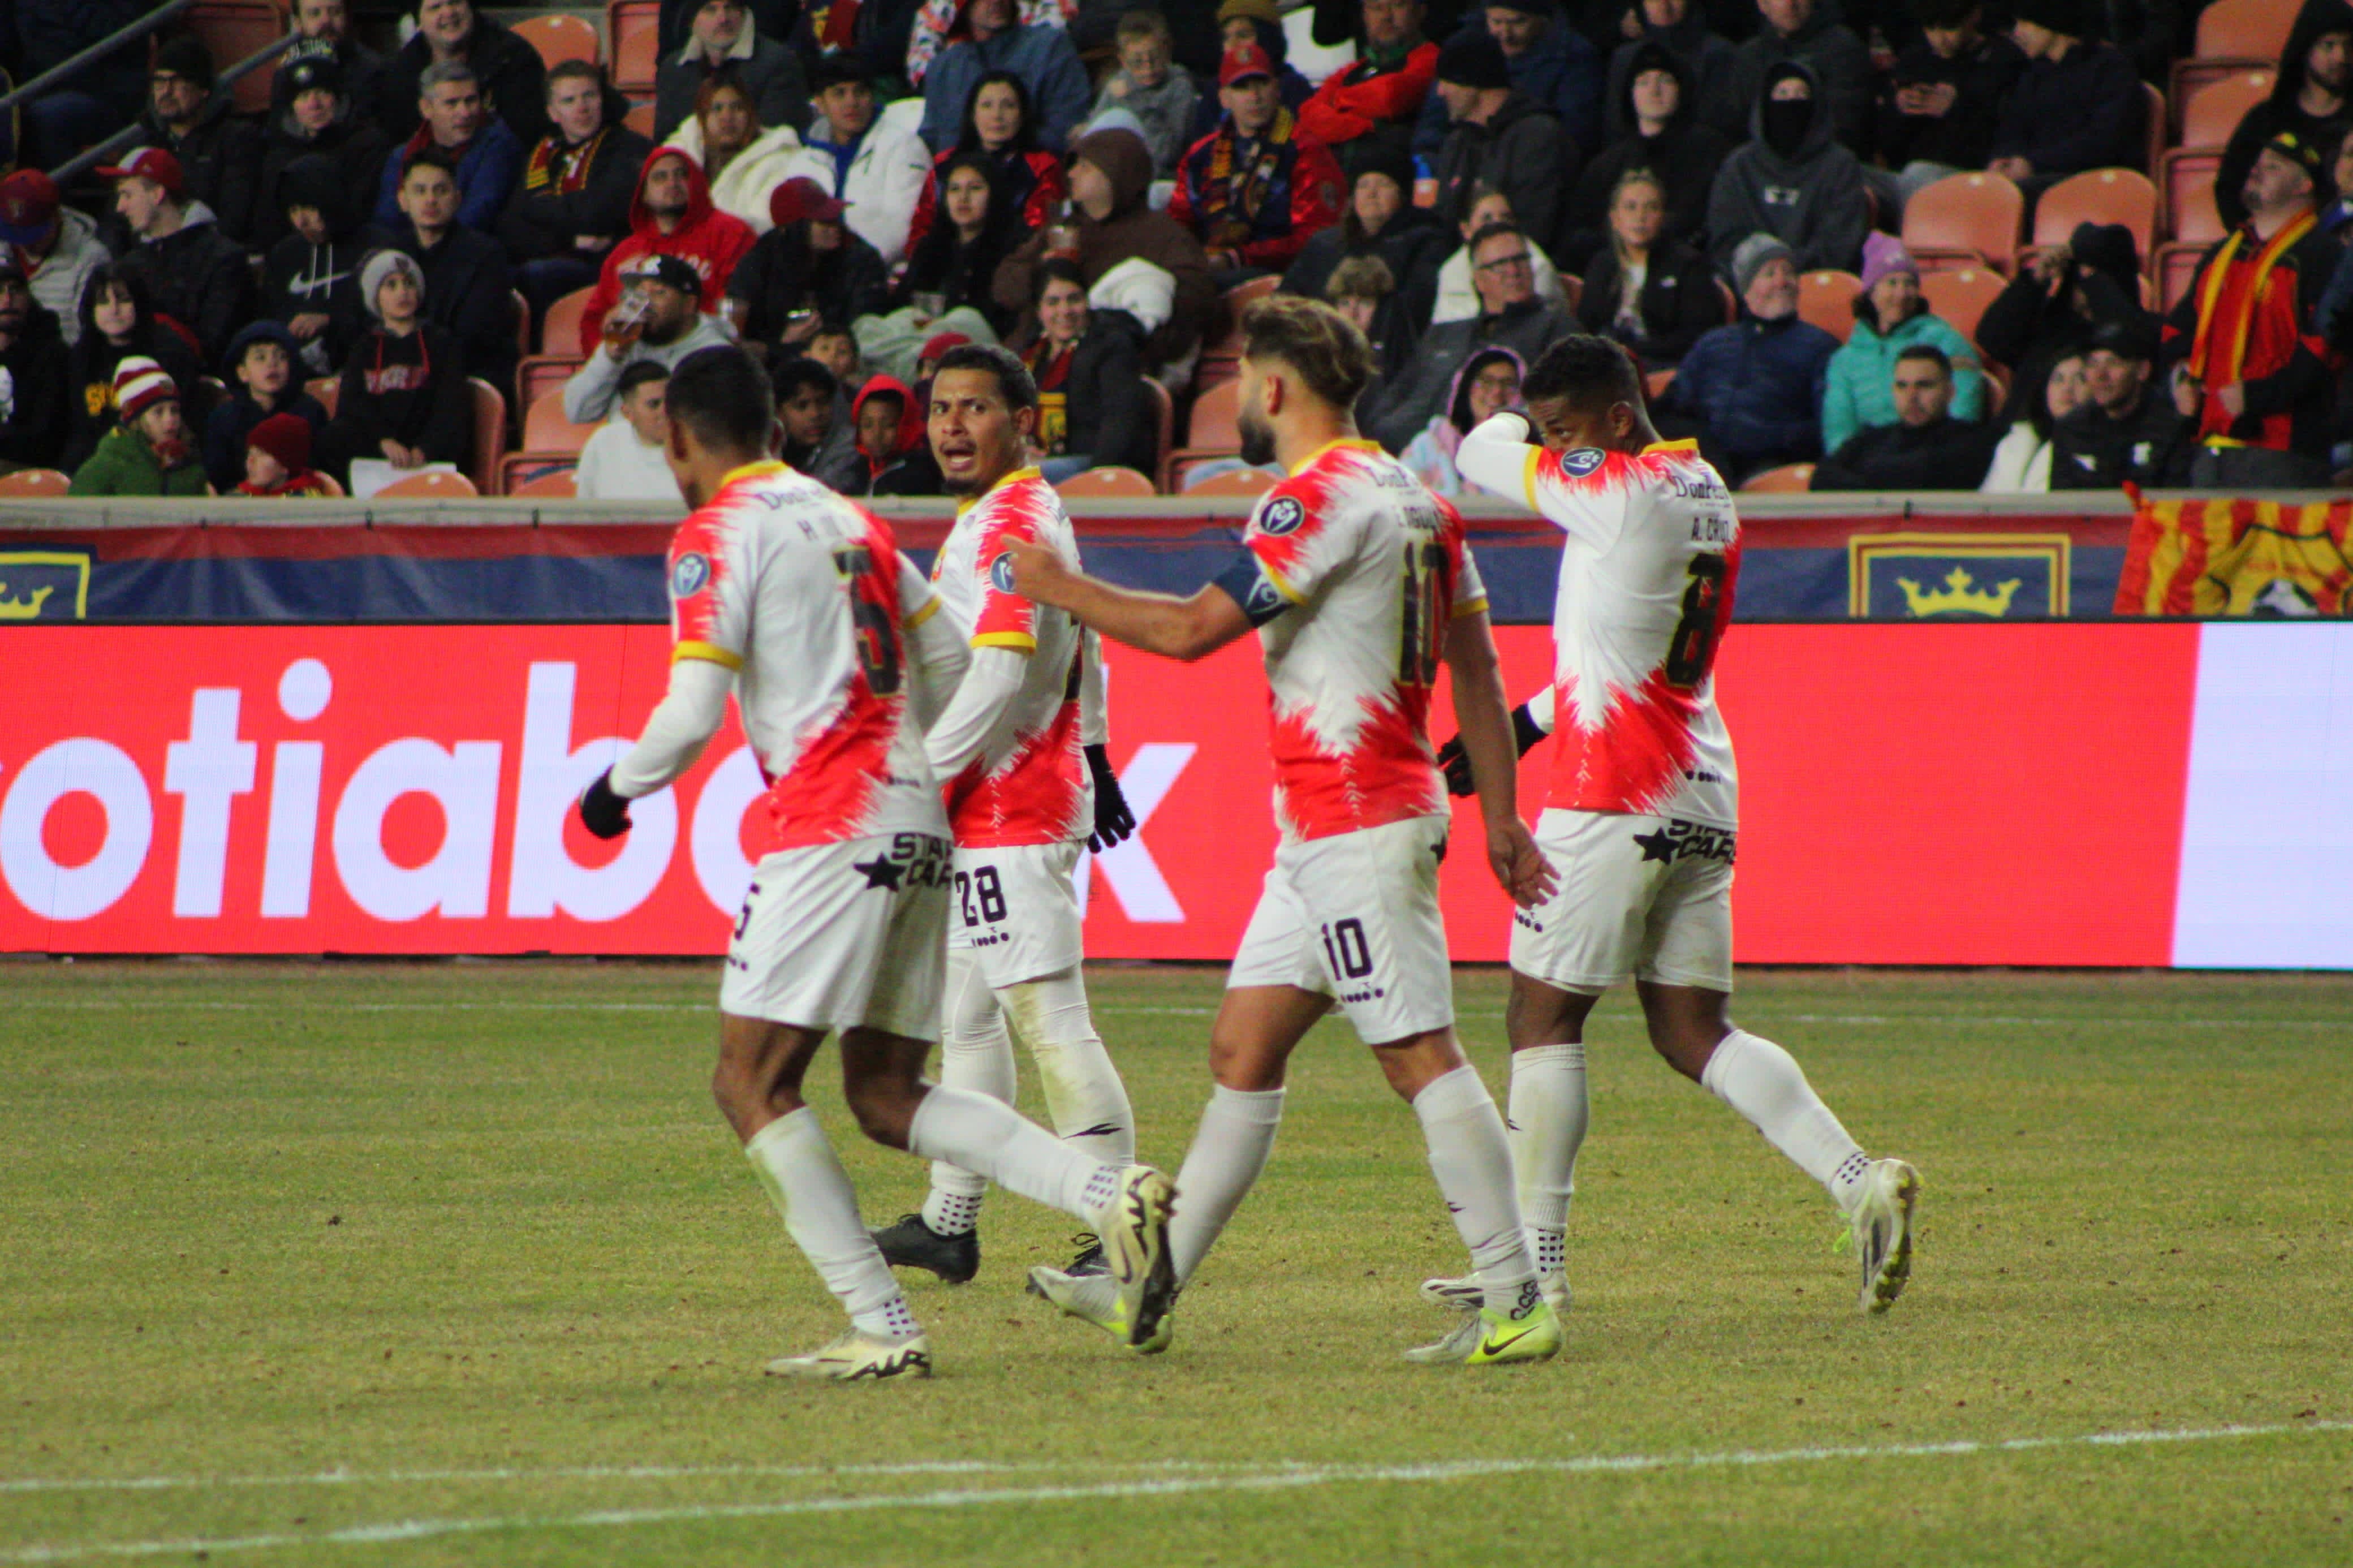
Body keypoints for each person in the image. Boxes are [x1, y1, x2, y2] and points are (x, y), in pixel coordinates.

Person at [572, 343, 1177, 1380]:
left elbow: (687, 715)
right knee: (887, 1091)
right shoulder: (850, 517)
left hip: (831, 823)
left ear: (676, 436)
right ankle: (1100, 1193)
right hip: (925, 822)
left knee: (749, 1081)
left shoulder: (717, 531)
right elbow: (947, 656)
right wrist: (908, 756)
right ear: (778, 425)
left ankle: (883, 1322)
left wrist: (610, 793)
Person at [1011, 294, 1562, 1365]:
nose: (1236, 404)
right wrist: (1498, 815)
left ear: (1273, 386)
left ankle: (1515, 1299)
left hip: (1356, 821)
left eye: (1243, 385)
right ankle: (1146, 1285)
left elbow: (1185, 633)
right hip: (1328, 828)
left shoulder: (1309, 501)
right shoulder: (1420, 497)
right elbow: (1480, 668)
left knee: (1417, 1053)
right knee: (1243, 1046)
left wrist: (1056, 587)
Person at [1433, 333, 1920, 1321]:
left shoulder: (1620, 487)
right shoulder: (1707, 490)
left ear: (1616, 421)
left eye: (1569, 431)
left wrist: (1522, 420)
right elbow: (1624, 638)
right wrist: (1525, 723)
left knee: (1542, 1018)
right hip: (1698, 785)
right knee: (1693, 1028)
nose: (1560, 448)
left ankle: (1536, 1269)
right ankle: (1858, 1178)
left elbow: (1477, 452)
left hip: (1610, 793)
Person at [868, 342, 1142, 1281]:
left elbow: (995, 677)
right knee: (969, 1019)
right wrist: (1099, 754)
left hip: (1009, 807)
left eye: (976, 407)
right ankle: (951, 1223)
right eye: (941, 407)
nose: (952, 424)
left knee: (1050, 1019)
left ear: (1025, 421)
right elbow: (1084, 642)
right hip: (1008, 797)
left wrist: (917, 787)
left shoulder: (1008, 521)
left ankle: (1119, 1231)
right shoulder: (1015, 514)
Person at [2163, 131, 2343, 488]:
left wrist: (2261, 395)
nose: (2258, 171)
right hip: (2209, 444)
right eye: (2258, 165)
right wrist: (2180, 377)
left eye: (2274, 168)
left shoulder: (2323, 255)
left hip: (2283, 450)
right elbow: (2179, 327)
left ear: (2303, 186)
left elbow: (2328, 349)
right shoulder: (2221, 254)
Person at [993, 126, 1217, 371]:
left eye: (1085, 167)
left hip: (1107, 368)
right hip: (1031, 360)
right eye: (1073, 165)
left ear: (1118, 175)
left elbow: (1194, 304)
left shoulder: (1165, 236)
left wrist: (1129, 346)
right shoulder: (1063, 229)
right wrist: (1045, 272)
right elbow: (1004, 287)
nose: (1072, 174)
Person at [1364, 221, 1577, 451]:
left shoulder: (1556, 328)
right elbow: (1394, 396)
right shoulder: (1444, 333)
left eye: (1521, 260)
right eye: (1500, 265)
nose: (1514, 271)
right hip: (1404, 453)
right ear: (1479, 279)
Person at [1658, 232, 1838, 483]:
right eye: (1769, 274)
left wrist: (1772, 437)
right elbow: (1677, 403)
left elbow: (1825, 425)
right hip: (1707, 457)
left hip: (1771, 461)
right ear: (1746, 289)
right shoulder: (1714, 343)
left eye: (1788, 272)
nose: (1782, 281)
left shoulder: (1820, 346)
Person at [1171, 44, 1348, 281]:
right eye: (1242, 87)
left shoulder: (1306, 150)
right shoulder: (1200, 154)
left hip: (1285, 277)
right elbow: (1178, 223)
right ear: (1224, 98)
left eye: (1262, 84)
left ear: (1277, 88)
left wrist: (1238, 258)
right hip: (1207, 269)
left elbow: (1319, 237)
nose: (1255, 97)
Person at [500, 63, 653, 327]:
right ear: (553, 113)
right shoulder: (542, 155)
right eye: (569, 100)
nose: (582, 108)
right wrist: (570, 239)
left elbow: (599, 213)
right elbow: (511, 228)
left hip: (607, 268)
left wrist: (540, 210)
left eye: (589, 96)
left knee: (536, 275)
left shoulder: (629, 147)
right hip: (557, 256)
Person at [1562, 39, 1729, 270]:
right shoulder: (1608, 164)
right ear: (1630, 94)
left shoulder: (1710, 149)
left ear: (1682, 90)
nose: (1655, 90)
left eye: (1665, 81)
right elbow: (1578, 232)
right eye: (1644, 82)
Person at [317, 251, 474, 487]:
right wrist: (383, 441)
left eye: (408, 284)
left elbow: (450, 406)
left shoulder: (442, 342)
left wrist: (425, 449)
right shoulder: (364, 347)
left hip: (426, 448)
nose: (402, 292)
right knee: (335, 435)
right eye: (391, 286)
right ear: (376, 297)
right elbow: (352, 406)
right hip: (379, 450)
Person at [577, 148, 757, 351]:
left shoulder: (731, 233)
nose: (672, 183)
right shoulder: (625, 253)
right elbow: (594, 320)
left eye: (682, 175)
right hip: (637, 364)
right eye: (660, 178)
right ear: (642, 193)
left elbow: (738, 307)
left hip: (705, 354)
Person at [1820, 234, 1984, 454]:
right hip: (1868, 465)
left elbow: (1964, 408)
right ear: (1871, 293)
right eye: (1892, 283)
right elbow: (1839, 430)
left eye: (1909, 284)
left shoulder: (1945, 340)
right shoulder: (1845, 359)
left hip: (1931, 457)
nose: (1902, 294)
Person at [1705, 62, 1867, 276]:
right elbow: (1725, 234)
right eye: (1782, 93)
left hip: (1816, 280)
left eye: (1801, 95)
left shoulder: (1841, 165)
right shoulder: (1739, 165)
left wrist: (1786, 269)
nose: (1792, 103)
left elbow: (1839, 241)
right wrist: (1761, 271)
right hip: (1747, 282)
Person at [100, 147, 256, 368]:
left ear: (157, 194)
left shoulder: (224, 258)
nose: (120, 207)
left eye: (127, 195)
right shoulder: (129, 266)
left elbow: (214, 343)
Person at [1430, 31, 1578, 265]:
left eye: (1446, 81)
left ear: (1473, 83)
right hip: (1463, 275)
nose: (1439, 92)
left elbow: (1536, 227)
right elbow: (1441, 225)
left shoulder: (1538, 136)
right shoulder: (1456, 143)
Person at [777, 58, 937, 266]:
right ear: (820, 104)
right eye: (839, 93)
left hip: (879, 271)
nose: (851, 102)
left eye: (860, 92)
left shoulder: (904, 147)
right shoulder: (804, 160)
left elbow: (903, 228)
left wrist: (849, 268)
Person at [392, 149, 521, 404]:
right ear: (402, 200)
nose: (430, 200)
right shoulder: (389, 257)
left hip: (465, 374)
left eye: (440, 191)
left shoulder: (486, 255)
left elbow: (478, 336)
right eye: (420, 191)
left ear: (458, 198)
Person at [1871, 0, 2025, 213]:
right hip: (1904, 175)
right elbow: (1889, 144)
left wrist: (1956, 109)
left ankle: (1913, 244)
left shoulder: (2002, 60)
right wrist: (1896, 107)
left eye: (1950, 29)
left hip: (1966, 177)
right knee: (1846, 168)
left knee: (1919, 173)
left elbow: (2003, 138)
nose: (1939, 40)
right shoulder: (1915, 59)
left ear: (1974, 16)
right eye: (1931, 29)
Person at [1282, 147, 1451, 338]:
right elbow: (1287, 300)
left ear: (1402, 195)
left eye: (1383, 184)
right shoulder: (1324, 245)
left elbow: (1416, 308)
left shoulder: (1425, 243)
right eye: (1363, 185)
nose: (1371, 193)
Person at [1988, 0, 2144, 207]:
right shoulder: (2033, 75)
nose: (2016, 33)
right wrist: (2005, 160)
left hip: (2094, 182)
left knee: (2005, 198)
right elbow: (2012, 129)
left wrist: (2034, 164)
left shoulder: (2111, 68)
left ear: (2050, 21)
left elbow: (2105, 141)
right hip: (2037, 178)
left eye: (2025, 23)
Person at [2216, 0, 2353, 235]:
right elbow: (2230, 189)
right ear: (2306, 49)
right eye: (2328, 46)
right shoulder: (2266, 118)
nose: (2341, 57)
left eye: (2349, 47)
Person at [726, 179, 893, 369]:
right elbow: (743, 327)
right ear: (794, 228)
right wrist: (781, 343)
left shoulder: (860, 258)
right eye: (824, 222)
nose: (835, 228)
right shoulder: (760, 259)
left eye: (835, 220)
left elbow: (865, 326)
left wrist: (819, 338)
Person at [264, 154, 399, 381]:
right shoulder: (285, 255)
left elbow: (394, 319)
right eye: (294, 210)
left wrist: (330, 322)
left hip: (371, 370)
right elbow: (271, 320)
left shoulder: (377, 246)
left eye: (309, 208)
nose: (301, 222)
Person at [1414, 0, 1604, 161]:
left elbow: (1577, 132)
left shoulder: (1573, 56)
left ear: (1541, 18)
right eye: (1496, 22)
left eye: (1518, 22)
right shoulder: (1466, 48)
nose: (1505, 34)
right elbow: (1433, 122)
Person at [1019, 261, 1158, 480]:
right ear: (1039, 311)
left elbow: (1121, 422)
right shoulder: (1033, 354)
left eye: (1074, 299)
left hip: (1095, 463)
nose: (1065, 311)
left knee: (1018, 479)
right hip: (1048, 461)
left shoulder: (1112, 347)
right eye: (1053, 302)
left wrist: (1095, 478)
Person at [907, 71, 1070, 255]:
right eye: (987, 106)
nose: (997, 116)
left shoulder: (1043, 166)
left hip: (1013, 266)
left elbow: (1039, 233)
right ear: (972, 114)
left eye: (1008, 106)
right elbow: (920, 231)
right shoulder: (944, 164)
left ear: (1023, 114)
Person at [64, 264, 205, 472]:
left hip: (158, 461)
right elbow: (77, 428)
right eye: (103, 302)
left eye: (123, 300)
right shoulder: (81, 357)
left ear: (139, 303)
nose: (114, 310)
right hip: (96, 461)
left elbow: (185, 421)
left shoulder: (171, 351)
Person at [1575, 170, 1722, 368]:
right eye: (1630, 207)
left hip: (1667, 367)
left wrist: (1632, 350)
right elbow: (1586, 328)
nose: (1640, 217)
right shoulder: (1602, 265)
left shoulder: (1688, 265)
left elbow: (1697, 336)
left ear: (1662, 217)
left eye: (1651, 208)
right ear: (1615, 219)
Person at [256, 46, 395, 255]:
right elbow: (270, 224)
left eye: (322, 93)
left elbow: (365, 211)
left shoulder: (368, 144)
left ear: (339, 98)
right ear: (292, 107)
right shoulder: (278, 157)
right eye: (303, 96)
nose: (314, 104)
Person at [567, 253, 736, 423]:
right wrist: (610, 357)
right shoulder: (627, 343)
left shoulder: (716, 354)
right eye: (640, 294)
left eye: (658, 292)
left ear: (689, 305)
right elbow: (577, 412)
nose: (645, 304)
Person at [136, 36, 266, 247]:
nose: (166, 91)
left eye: (178, 82)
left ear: (204, 90)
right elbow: (117, 222)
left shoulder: (237, 139)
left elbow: (234, 220)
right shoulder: (144, 144)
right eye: (159, 82)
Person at [1812, 344, 1999, 489]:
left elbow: (1922, 475)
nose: (1911, 397)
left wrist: (1865, 477)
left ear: (1950, 392)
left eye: (1924, 385)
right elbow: (1822, 478)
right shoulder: (1871, 438)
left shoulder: (1973, 441)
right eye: (1902, 386)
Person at [921, 0, 1093, 154]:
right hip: (958, 183)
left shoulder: (1051, 48)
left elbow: (1068, 130)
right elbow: (931, 142)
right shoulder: (943, 67)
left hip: (1036, 180)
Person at [379, 0, 548, 151]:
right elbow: (396, 136)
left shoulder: (513, 57)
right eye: (435, 7)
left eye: (455, 2)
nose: (448, 13)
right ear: (419, 22)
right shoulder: (403, 70)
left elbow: (525, 136)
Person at [374, 63, 525, 232]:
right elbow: (387, 220)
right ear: (426, 108)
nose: (465, 113)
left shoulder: (499, 146)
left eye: (471, 101)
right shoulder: (402, 155)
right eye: (452, 103)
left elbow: (477, 216)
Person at [893, 152, 1025, 338]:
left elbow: (1005, 316)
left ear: (994, 194)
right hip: (924, 342)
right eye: (954, 189)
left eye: (975, 188)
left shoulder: (1014, 246)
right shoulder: (930, 247)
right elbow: (904, 305)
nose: (963, 198)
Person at [2052, 315, 2191, 488]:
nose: (2100, 376)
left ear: (2142, 370)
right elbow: (2061, 506)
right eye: (2093, 364)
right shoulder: (2071, 429)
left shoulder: (2169, 428)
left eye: (2113, 363)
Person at [1298, 0, 1440, 166]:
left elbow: (1390, 96)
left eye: (1398, 6)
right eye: (1376, 8)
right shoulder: (1353, 70)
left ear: (1420, 11)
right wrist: (1364, 126)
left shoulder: (1432, 58)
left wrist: (1336, 104)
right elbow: (1309, 116)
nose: (1386, 16)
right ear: (1364, 16)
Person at [663, 75, 809, 235]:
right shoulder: (677, 156)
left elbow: (763, 225)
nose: (727, 117)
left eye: (737, 108)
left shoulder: (778, 159)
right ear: (702, 118)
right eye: (717, 109)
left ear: (751, 115)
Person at [1714, 0, 1870, 150]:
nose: (1790, 4)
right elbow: (1733, 126)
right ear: (1762, 4)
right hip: (1760, 167)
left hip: (1825, 165)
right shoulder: (1748, 57)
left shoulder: (1843, 49)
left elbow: (1846, 124)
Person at [202, 321, 332, 494]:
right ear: (242, 373)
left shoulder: (310, 412)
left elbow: (319, 470)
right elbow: (218, 477)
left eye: (281, 357)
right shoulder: (224, 418)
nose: (272, 364)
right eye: (260, 358)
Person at [655, 0, 812, 141]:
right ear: (692, 20)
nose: (723, 19)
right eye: (710, 9)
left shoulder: (779, 63)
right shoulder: (673, 69)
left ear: (744, 14)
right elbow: (667, 141)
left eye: (730, 8)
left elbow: (778, 140)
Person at [1085, 8, 1203, 175]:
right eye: (1137, 62)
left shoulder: (1180, 88)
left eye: (1155, 59)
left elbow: (1166, 154)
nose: (1148, 70)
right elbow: (1094, 135)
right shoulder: (1118, 84)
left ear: (1167, 51)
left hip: (1164, 177)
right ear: (1123, 61)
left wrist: (1131, 101)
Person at [1432, 186, 1573, 323]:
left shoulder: (1538, 265)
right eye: (1487, 219)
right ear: (1466, 230)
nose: (1497, 224)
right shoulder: (1451, 271)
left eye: (1506, 217)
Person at [70, 357, 209, 496]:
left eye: (174, 410)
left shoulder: (190, 467)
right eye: (158, 412)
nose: (170, 420)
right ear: (136, 420)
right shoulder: (106, 467)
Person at [1600, 0, 1733, 147]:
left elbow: (1718, 124)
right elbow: (1615, 127)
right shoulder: (1625, 58)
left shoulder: (1718, 55)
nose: (1663, 4)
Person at [0, 171, 109, 347]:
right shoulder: (3, 246)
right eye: (14, 232)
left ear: (56, 217)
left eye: (31, 235)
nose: (23, 243)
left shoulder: (90, 259)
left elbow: (82, 340)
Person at [1399, 343, 1524, 493]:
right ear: (1465, 386)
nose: (1497, 391)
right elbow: (1402, 496)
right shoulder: (1427, 445)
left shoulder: (1531, 453)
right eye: (1486, 381)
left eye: (1508, 384)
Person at [1192, 0, 1319, 143]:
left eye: (1243, 35)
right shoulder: (1214, 90)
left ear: (1267, 38)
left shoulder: (1294, 86)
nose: (1233, 45)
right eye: (1226, 37)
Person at [0, 252, 71, 473]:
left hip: (32, 471)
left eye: (15, 290)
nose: (7, 300)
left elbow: (45, 438)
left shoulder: (53, 355)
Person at [1981, 349, 2087, 492]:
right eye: (2058, 379)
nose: (2067, 388)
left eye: (2080, 379)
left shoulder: (2096, 444)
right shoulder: (2016, 441)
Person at [273, 0, 386, 132]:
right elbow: (277, 134)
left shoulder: (373, 68)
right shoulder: (287, 71)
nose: (326, 21)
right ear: (298, 23)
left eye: (335, 12)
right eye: (314, 14)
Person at [574, 361, 682, 499]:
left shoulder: (694, 440)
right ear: (628, 413)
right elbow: (584, 505)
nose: (665, 411)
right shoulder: (604, 442)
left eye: (670, 401)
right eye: (653, 404)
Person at [774, 354, 864, 490]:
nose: (815, 414)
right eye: (802, 406)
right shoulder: (767, 451)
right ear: (780, 413)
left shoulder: (851, 446)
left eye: (822, 402)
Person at [1324, 253, 1417, 380]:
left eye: (1365, 304)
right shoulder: (1321, 359)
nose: (1352, 314)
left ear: (1382, 310)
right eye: (1345, 303)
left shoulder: (1397, 363)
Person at [846, 374, 945, 493]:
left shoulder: (922, 475)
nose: (877, 434)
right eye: (868, 425)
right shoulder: (854, 471)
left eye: (889, 425)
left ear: (907, 425)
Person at [238, 411, 335, 496]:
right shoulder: (238, 498)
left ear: (286, 465)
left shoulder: (307, 504)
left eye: (262, 455)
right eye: (250, 453)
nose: (251, 461)